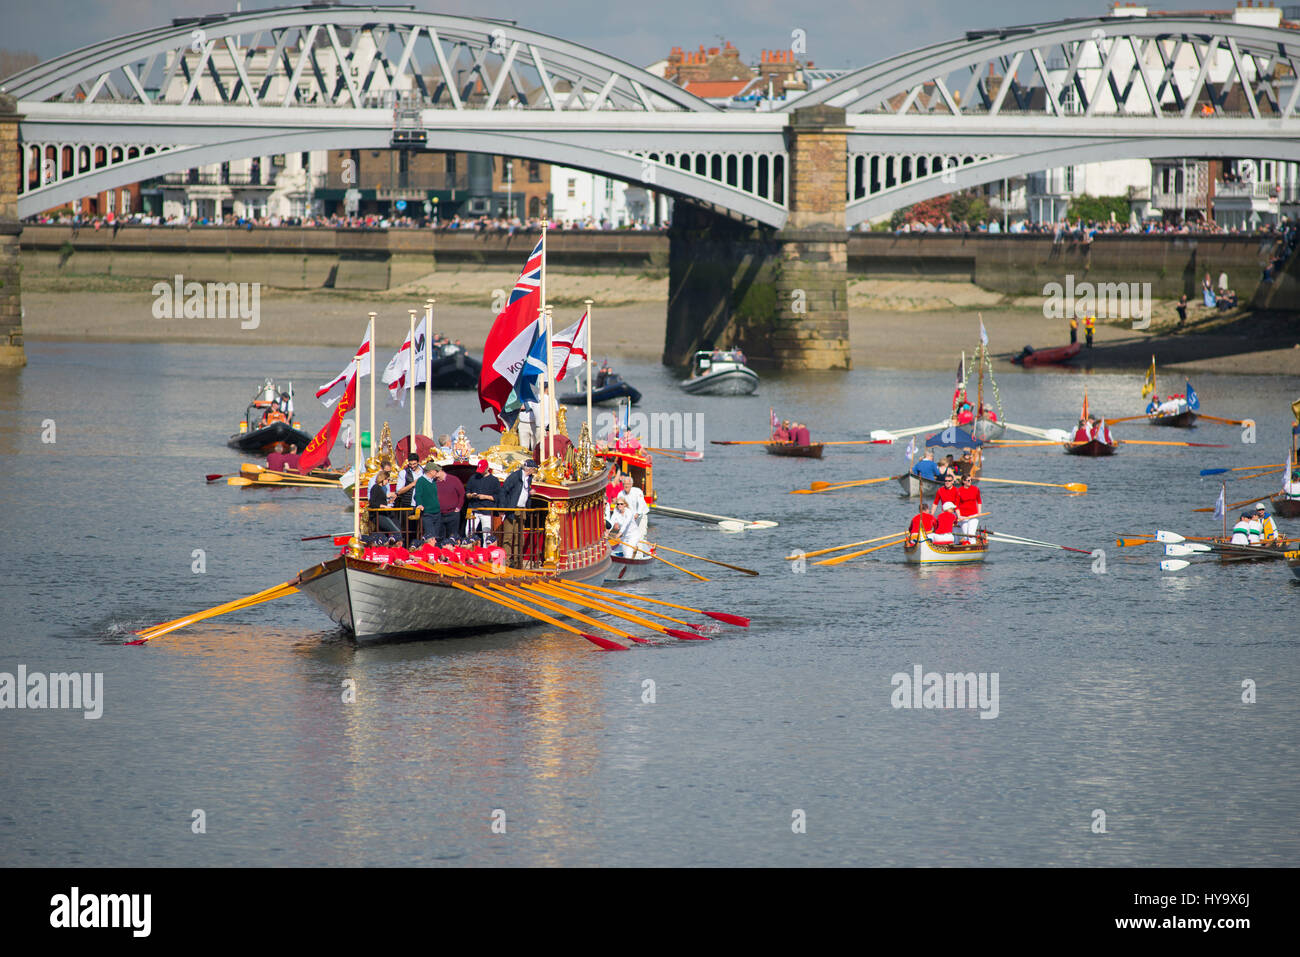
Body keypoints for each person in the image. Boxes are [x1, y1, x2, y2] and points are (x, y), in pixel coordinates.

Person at [465, 459, 502, 542]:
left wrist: (484, 497)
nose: (480, 472)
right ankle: (470, 550)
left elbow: (497, 497)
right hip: (473, 509)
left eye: (482, 470)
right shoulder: (473, 478)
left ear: (487, 468)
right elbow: (467, 493)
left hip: (487, 510)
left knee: (487, 534)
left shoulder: (494, 480)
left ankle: (485, 551)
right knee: (468, 532)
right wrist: (471, 495)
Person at [429, 465, 465, 541]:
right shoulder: (433, 482)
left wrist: (458, 507)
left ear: (440, 471)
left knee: (452, 537)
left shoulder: (454, 480)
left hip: (452, 514)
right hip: (439, 514)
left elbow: (462, 493)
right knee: (439, 538)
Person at [367, 468, 402, 538]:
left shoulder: (381, 488)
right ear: (383, 479)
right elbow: (372, 503)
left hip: (383, 514)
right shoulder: (375, 488)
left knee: (394, 529)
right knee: (396, 531)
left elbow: (379, 500)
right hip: (378, 515)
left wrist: (389, 501)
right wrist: (384, 506)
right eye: (387, 480)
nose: (388, 482)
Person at [620, 474, 649, 539]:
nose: (626, 486)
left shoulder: (637, 491)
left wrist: (637, 513)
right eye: (624, 484)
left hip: (641, 516)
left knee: (641, 535)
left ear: (631, 484)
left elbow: (641, 503)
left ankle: (641, 545)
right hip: (630, 518)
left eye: (628, 484)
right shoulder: (620, 494)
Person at [955, 473, 982, 540]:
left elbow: (979, 501)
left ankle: (972, 543)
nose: (970, 482)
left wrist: (979, 512)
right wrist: (959, 516)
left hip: (974, 516)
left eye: (971, 480)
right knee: (966, 536)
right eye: (968, 480)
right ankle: (967, 545)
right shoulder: (959, 491)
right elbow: (956, 506)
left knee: (971, 534)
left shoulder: (976, 489)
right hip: (963, 517)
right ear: (964, 481)